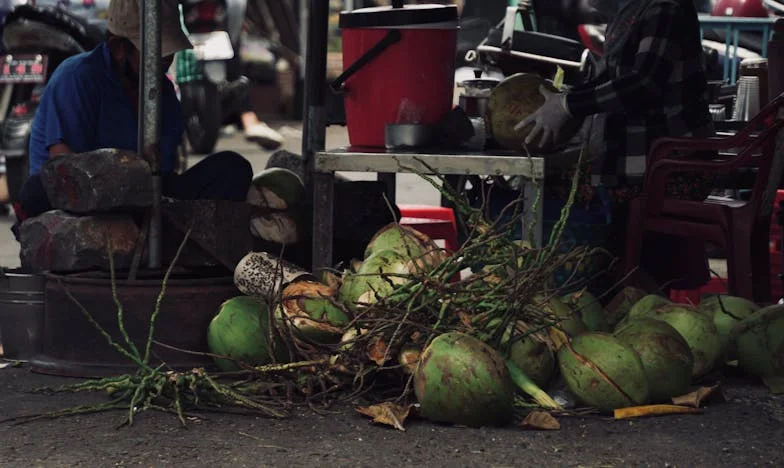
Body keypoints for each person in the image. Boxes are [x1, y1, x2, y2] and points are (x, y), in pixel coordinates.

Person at [516, 0, 716, 291]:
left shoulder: (665, 8)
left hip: (669, 166)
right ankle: (595, 287)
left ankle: (620, 288)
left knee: (572, 198)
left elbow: (642, 86)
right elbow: (612, 79)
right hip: (634, 161)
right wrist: (562, 100)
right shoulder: (631, 13)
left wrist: (570, 105)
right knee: (552, 186)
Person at [15, 0, 253, 225]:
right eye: (158, 53)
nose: (167, 60)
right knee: (35, 191)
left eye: (168, 52)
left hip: (143, 196)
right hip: (84, 199)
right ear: (119, 48)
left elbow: (164, 171)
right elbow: (63, 164)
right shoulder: (77, 77)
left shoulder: (165, 92)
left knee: (231, 168)